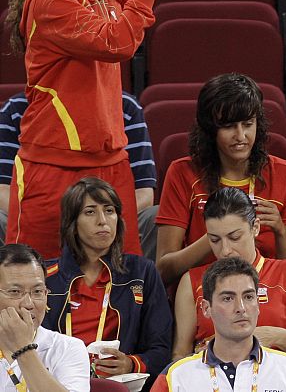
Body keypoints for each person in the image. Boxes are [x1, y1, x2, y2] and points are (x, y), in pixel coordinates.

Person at [4, 0, 164, 258]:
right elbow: (117, 41)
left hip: (110, 163)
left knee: (122, 278)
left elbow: (113, 5)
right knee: (36, 278)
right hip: (53, 165)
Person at [156, 73, 286, 285]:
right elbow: (164, 270)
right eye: (229, 126)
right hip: (204, 293)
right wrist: (219, 235)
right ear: (210, 129)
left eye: (248, 124)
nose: (241, 136)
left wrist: (280, 230)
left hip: (270, 295)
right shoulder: (182, 173)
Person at [173, 187, 286, 362]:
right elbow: (179, 354)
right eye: (215, 240)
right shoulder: (192, 281)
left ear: (255, 227)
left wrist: (275, 336)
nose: (225, 250)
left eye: (235, 237)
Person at [43, 177, 171, 384]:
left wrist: (131, 363)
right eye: (90, 212)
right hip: (57, 383)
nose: (103, 220)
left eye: (109, 210)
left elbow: (162, 348)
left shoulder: (142, 272)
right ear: (72, 224)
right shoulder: (45, 278)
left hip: (121, 385)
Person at [0, 91, 158, 256]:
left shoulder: (124, 105)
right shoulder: (17, 108)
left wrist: (98, 218)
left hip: (108, 217)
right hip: (38, 218)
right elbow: (3, 190)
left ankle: (139, 279)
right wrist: (68, 219)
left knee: (154, 216)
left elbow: (144, 193)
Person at [151, 257, 286, 392]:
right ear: (206, 308)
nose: (241, 308)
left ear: (258, 304)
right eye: (228, 298)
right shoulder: (175, 377)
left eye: (248, 297)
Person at [0, 243, 89, 392]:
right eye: (15, 291)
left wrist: (23, 347)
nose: (28, 304)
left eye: (37, 291)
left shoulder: (67, 348)